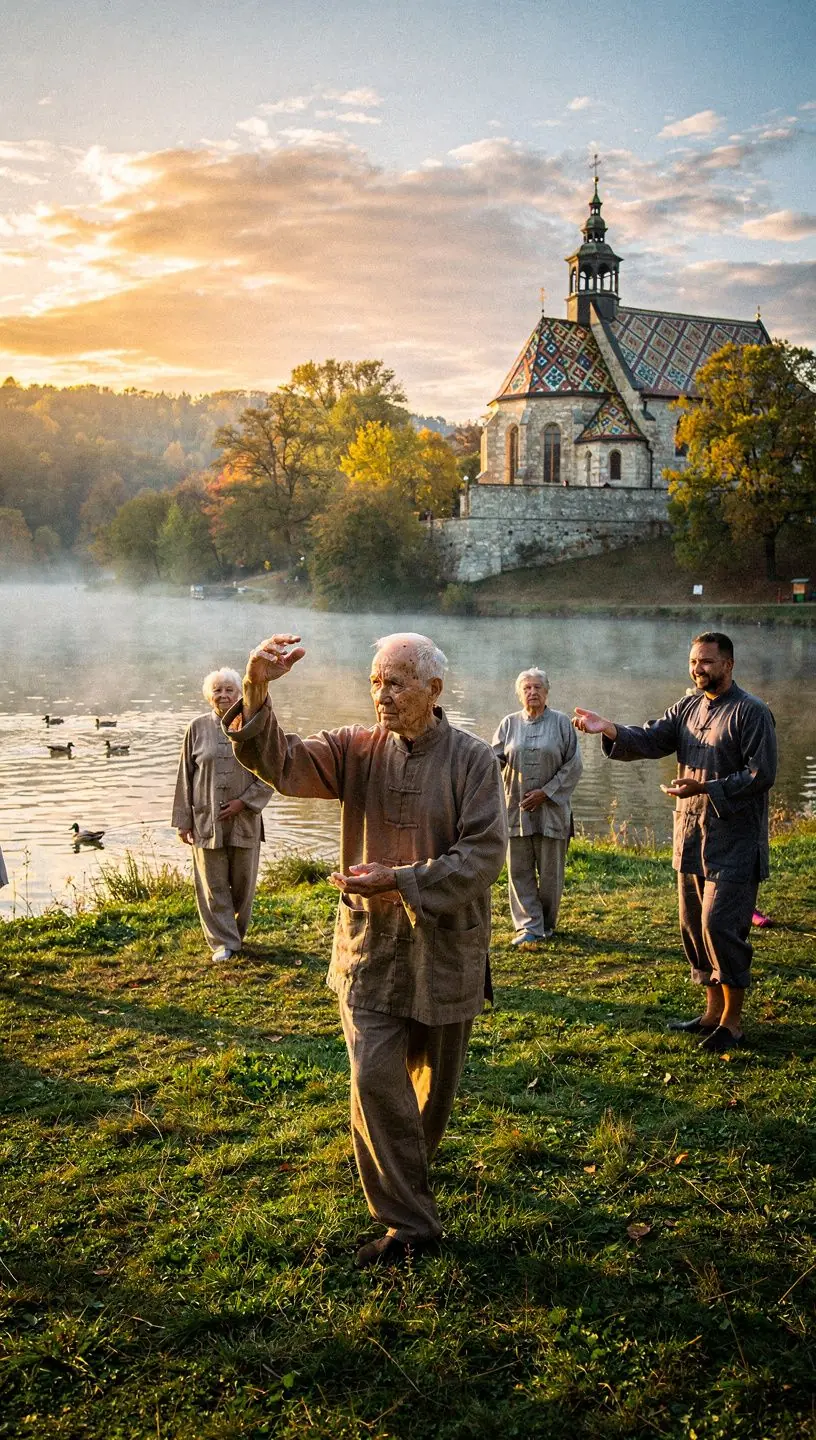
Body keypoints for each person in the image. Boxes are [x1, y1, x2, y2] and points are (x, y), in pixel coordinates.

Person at [222, 630, 507, 1266]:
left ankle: (405, 1178)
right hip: (368, 949)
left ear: (433, 690)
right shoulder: (355, 748)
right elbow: (285, 764)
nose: (382, 693)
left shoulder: (473, 761)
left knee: (432, 1095)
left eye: (397, 681)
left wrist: (402, 880)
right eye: (376, 680)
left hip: (445, 951)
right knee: (375, 1078)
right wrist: (257, 688)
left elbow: (484, 855)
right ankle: (410, 1226)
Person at [573, 632, 776, 1053]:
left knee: (720, 927)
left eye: (706, 661)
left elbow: (762, 775)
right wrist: (608, 728)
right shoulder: (687, 707)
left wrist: (705, 788)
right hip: (692, 836)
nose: (697, 668)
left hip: (735, 842)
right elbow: (651, 738)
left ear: (728, 664)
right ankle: (710, 1013)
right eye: (692, 661)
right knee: (693, 929)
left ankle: (733, 1023)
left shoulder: (752, 712)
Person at [172, 668, 273, 964]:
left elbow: (270, 773)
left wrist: (244, 802)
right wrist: (183, 820)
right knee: (213, 884)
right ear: (209, 696)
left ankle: (236, 935)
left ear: (239, 693)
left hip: (245, 819)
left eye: (229, 689)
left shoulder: (254, 727)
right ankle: (223, 943)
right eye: (217, 690)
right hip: (207, 820)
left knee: (243, 883)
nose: (223, 695)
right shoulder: (197, 728)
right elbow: (185, 776)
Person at [492, 668, 583, 945]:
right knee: (519, 870)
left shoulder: (562, 724)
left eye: (538, 688)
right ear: (519, 693)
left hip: (552, 811)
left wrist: (546, 792)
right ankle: (528, 927)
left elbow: (574, 765)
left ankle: (546, 924)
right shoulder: (508, 724)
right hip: (516, 808)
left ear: (547, 692)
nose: (532, 692)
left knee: (551, 873)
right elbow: (492, 760)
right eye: (527, 688)